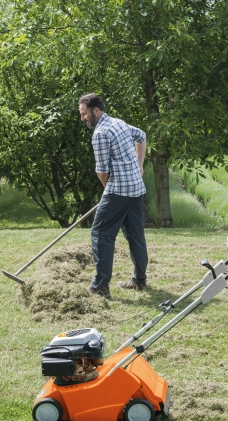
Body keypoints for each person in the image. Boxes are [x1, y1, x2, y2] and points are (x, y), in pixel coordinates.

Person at [78, 93, 148, 298]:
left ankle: (100, 286)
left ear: (96, 111)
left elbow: (102, 171)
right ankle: (140, 279)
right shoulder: (118, 123)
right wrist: (139, 165)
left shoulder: (100, 133)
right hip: (136, 189)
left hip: (119, 190)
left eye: (84, 114)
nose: (83, 118)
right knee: (135, 234)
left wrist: (107, 190)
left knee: (100, 234)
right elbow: (141, 135)